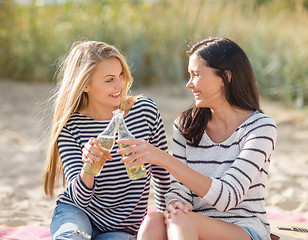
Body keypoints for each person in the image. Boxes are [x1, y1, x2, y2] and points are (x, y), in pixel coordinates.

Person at [117, 37, 277, 240]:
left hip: (244, 228)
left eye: (196, 75)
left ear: (224, 78)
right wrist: (176, 203)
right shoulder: (186, 125)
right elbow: (179, 189)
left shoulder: (261, 127)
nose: (188, 84)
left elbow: (228, 196)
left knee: (181, 221)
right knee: (153, 222)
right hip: (191, 224)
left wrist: (164, 159)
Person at [42, 40, 170, 240]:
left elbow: (163, 172)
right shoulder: (71, 126)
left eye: (121, 75)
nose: (120, 85)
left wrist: (166, 218)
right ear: (85, 85)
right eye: (109, 79)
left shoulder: (145, 111)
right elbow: (79, 200)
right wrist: (89, 168)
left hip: (122, 227)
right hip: (77, 213)